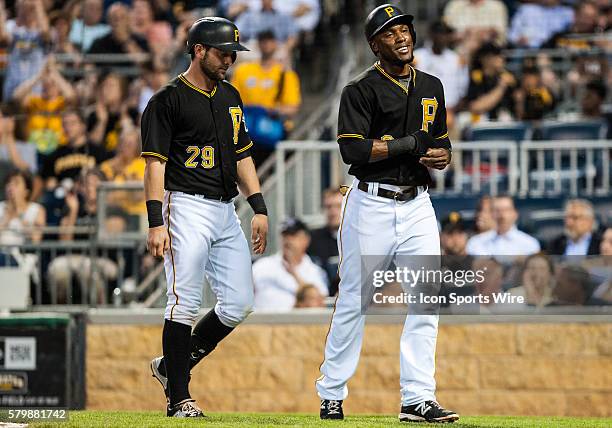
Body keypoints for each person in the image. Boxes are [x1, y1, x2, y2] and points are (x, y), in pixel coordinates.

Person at [316, 5, 458, 423]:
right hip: (370, 203)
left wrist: (440, 155)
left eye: (405, 28)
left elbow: (440, 140)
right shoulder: (360, 90)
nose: (401, 36)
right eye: (390, 31)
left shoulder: (431, 85)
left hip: (417, 203)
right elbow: (354, 150)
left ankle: (417, 398)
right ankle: (332, 393)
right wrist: (409, 145)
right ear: (374, 44)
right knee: (354, 301)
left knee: (426, 299)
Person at [143, 17, 268, 418]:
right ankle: (179, 398)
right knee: (183, 302)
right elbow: (153, 165)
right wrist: (155, 221)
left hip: (225, 207)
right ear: (198, 50)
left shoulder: (230, 95)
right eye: (222, 52)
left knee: (239, 303)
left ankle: (171, 366)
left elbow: (243, 154)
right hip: (186, 207)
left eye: (232, 52)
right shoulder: (168, 99)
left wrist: (259, 206)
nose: (229, 59)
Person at [231, 30, 301, 165]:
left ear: (275, 44)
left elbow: (292, 108)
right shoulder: (243, 71)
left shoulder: (285, 74)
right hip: (247, 130)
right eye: (263, 41)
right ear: (258, 44)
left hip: (273, 132)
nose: (266, 44)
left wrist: (273, 111)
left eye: (269, 40)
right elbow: (232, 101)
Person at [252, 217, 328, 311]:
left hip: (299, 323)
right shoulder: (262, 266)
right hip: (260, 323)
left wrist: (294, 273)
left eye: (293, 235)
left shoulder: (315, 271)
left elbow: (319, 302)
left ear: (306, 240)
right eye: (285, 235)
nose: (288, 240)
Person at [13, 58, 76, 155]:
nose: (48, 86)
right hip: (33, 151)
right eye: (45, 84)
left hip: (59, 150)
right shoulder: (34, 101)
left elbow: (71, 96)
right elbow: (16, 97)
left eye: (52, 84)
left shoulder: (62, 103)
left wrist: (54, 73)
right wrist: (39, 77)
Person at [41, 110, 108, 191]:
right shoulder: (55, 155)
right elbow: (49, 183)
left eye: (72, 123)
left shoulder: (98, 152)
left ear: (83, 126)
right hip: (62, 197)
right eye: (65, 124)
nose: (68, 128)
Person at [413, 22, 468, 114]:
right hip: (422, 111)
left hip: (450, 112)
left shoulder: (457, 59)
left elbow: (463, 90)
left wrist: (452, 111)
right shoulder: (417, 57)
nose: (443, 37)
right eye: (439, 33)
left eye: (445, 34)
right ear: (431, 35)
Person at [0, 0, 50, 102]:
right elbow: (3, 36)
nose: (26, 12)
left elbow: (45, 32)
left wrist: (37, 5)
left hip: (35, 91)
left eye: (30, 9)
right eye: (22, 8)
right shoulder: (13, 29)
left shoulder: (40, 32)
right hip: (13, 90)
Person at [466, 195, 540, 256]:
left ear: (515, 213)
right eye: (497, 210)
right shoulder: (475, 243)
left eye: (506, 210)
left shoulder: (529, 244)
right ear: (492, 214)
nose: (502, 215)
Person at [466, 43, 516, 123]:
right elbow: (475, 107)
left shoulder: (507, 76)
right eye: (497, 55)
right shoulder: (476, 77)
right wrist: (501, 87)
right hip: (482, 120)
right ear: (485, 59)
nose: (501, 59)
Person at [308, 188, 343, 295]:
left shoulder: (360, 238)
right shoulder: (312, 239)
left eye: (338, 206)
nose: (332, 212)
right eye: (328, 207)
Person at [508, 0, 574, 49]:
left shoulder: (568, 13)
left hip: (557, 50)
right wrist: (518, 40)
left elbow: (573, 34)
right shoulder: (526, 9)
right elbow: (511, 35)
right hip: (528, 50)